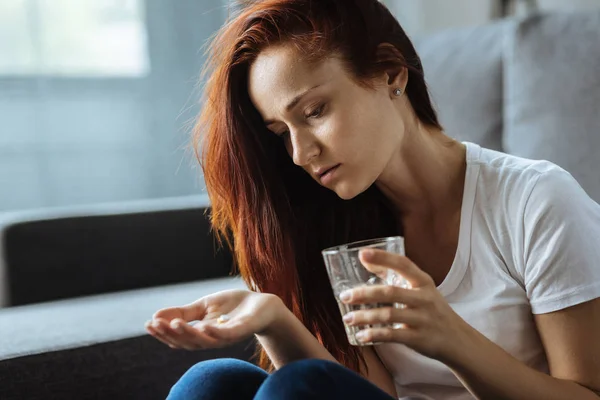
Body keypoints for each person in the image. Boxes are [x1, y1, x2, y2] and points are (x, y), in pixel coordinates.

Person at [145, 0, 600, 398]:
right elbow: (368, 394)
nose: (302, 154)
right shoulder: (341, 226)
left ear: (390, 73)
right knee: (213, 380)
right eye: (282, 134)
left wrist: (451, 338)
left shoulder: (535, 201)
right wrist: (274, 320)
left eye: (315, 111)